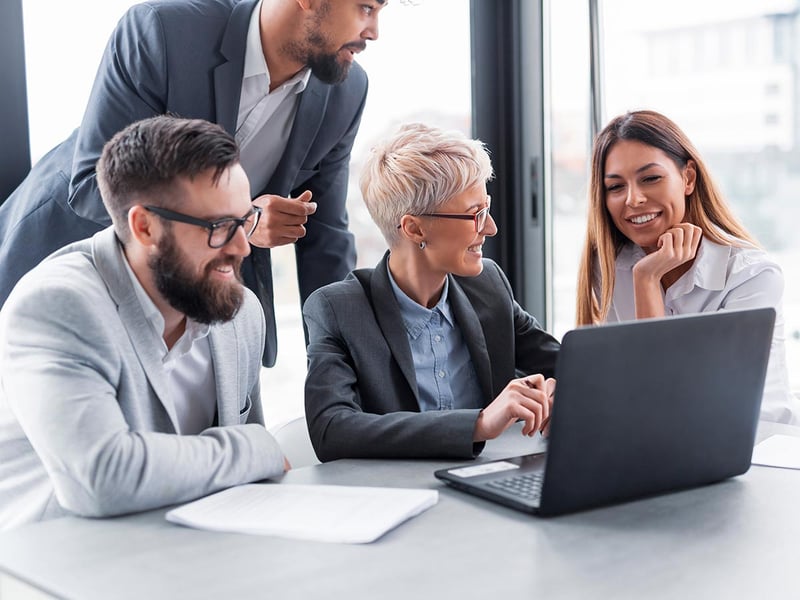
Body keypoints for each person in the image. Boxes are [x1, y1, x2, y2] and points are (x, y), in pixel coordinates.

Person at [0, 0, 387, 367]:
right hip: (63, 257)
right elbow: (92, 187)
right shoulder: (161, 32)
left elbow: (325, 239)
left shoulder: (346, 92)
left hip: (188, 304)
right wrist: (242, 220)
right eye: (365, 7)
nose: (374, 32)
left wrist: (344, 373)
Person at [0, 116, 289, 530]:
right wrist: (253, 447)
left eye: (246, 221)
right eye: (219, 227)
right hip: (52, 571)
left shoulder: (241, 312)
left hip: (190, 554)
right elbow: (103, 478)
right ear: (145, 226)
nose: (243, 247)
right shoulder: (55, 306)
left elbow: (255, 481)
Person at [303, 123, 561, 462]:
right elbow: (331, 430)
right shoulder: (339, 309)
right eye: (475, 214)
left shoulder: (488, 286)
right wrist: (478, 424)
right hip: (395, 499)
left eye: (487, 207)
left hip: (488, 490)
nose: (491, 227)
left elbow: (566, 363)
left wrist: (562, 388)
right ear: (414, 228)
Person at [576, 109, 800, 424]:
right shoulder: (612, 269)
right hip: (664, 448)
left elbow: (671, 401)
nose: (633, 199)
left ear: (688, 178)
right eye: (615, 187)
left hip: (760, 448)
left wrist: (647, 279)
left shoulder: (752, 277)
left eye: (650, 178)